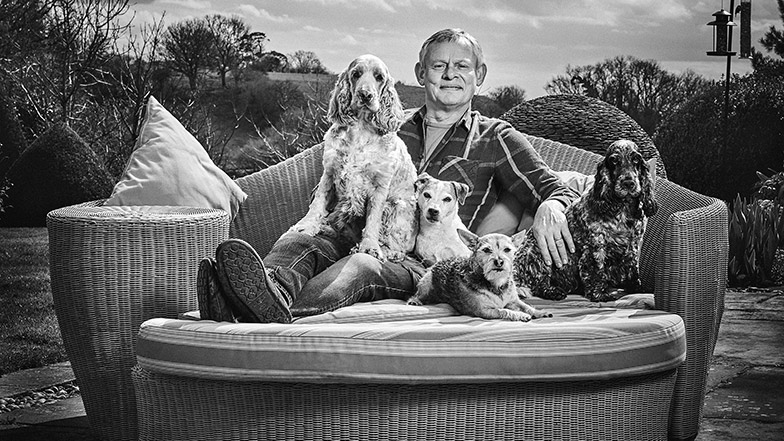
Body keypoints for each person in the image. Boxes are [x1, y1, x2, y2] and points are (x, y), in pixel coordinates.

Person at [198, 28, 579, 323]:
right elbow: (337, 167)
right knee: (305, 241)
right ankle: (259, 294)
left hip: (424, 265)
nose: (449, 75)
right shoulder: (388, 128)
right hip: (360, 230)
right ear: (419, 73)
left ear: (479, 75)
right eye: (438, 66)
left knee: (361, 268)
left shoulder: (497, 137)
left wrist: (552, 207)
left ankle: (241, 306)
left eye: (462, 66)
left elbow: (556, 189)